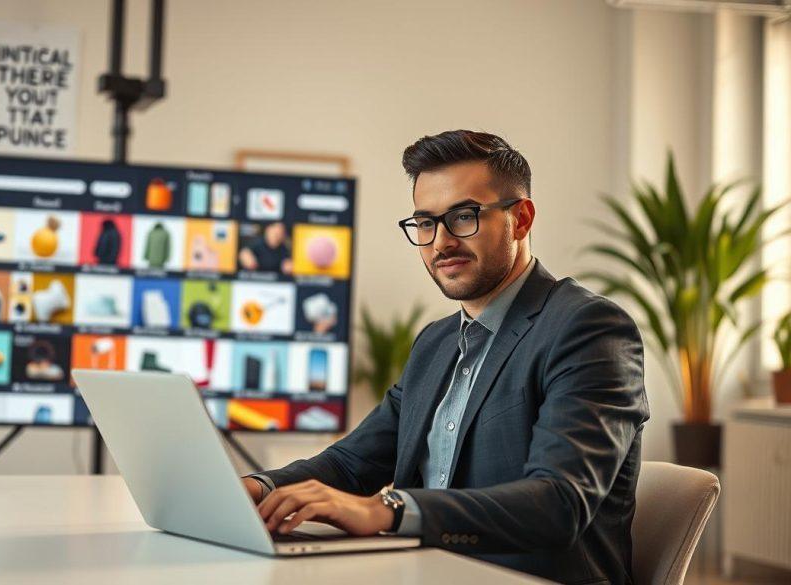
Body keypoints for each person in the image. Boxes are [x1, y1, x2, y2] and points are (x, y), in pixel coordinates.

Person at [242, 130, 649, 585]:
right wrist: (260, 488)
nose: (440, 243)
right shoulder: (434, 344)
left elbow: (558, 503)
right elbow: (353, 463)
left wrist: (387, 509)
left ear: (522, 219)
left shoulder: (588, 328)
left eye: (463, 216)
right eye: (425, 223)